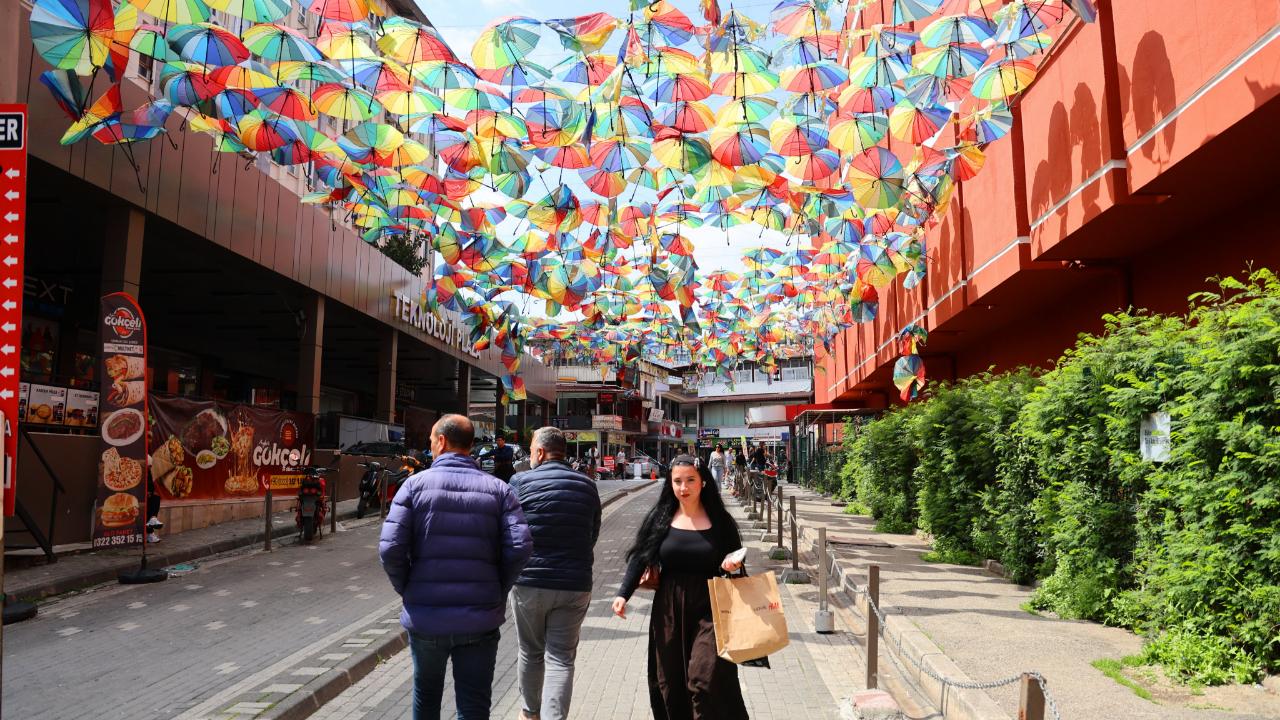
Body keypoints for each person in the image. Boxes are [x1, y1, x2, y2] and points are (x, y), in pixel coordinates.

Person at [379, 414, 532, 720]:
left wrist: (408, 588)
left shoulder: (413, 487)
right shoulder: (499, 490)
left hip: (426, 617)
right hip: (479, 618)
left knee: (426, 696)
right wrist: (497, 589)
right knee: (474, 705)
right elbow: (520, 546)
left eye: (432, 440)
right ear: (470, 445)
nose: (431, 445)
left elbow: (391, 548)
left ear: (442, 441)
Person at [612, 455, 748, 720]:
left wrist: (731, 566)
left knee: (704, 680)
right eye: (677, 481)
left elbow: (738, 563)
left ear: (703, 482)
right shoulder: (661, 518)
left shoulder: (721, 522)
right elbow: (640, 556)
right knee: (671, 684)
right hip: (669, 609)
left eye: (690, 480)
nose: (683, 488)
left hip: (712, 607)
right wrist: (622, 595)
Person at [509, 427, 602, 720]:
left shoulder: (520, 481)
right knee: (561, 659)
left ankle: (530, 713)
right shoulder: (587, 485)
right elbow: (592, 534)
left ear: (538, 452)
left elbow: (508, 534)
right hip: (575, 583)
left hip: (530, 582)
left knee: (530, 652)